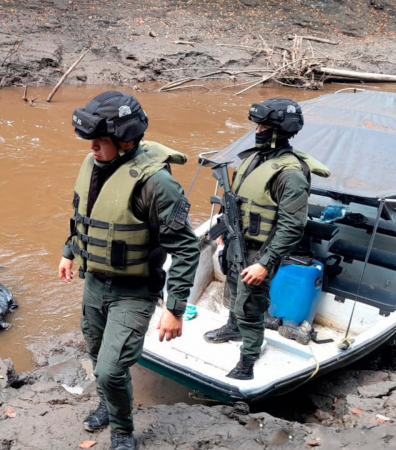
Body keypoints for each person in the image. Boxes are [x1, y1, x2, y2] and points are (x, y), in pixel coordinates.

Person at [58, 91, 199, 450]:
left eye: (100, 141)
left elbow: (186, 247)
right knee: (95, 350)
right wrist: (69, 251)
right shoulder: (93, 166)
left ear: (126, 140)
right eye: (90, 140)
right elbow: (83, 218)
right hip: (94, 283)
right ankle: (106, 406)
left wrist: (175, 308)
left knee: (110, 368)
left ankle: (122, 432)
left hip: (134, 291)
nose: (92, 147)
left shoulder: (157, 184)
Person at [203, 98, 330, 380]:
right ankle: (233, 326)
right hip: (237, 241)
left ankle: (248, 357)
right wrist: (226, 232)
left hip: (262, 250)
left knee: (251, 304)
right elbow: (236, 202)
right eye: (258, 125)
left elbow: (292, 226)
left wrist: (266, 263)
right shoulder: (253, 158)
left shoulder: (290, 173)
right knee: (234, 289)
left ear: (277, 131)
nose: (257, 130)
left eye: (263, 126)